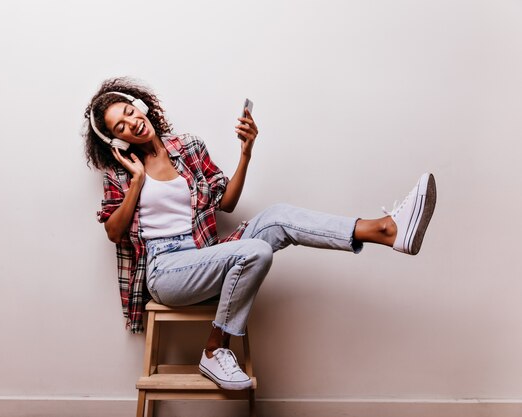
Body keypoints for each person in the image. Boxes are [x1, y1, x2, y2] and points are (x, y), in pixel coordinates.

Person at [82, 77, 437, 391]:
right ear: (116, 139)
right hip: (166, 271)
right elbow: (115, 232)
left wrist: (246, 152)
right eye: (119, 127)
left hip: (204, 253)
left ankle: (386, 230)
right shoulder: (122, 171)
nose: (131, 123)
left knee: (277, 217)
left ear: (140, 106)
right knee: (254, 251)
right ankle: (214, 349)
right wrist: (138, 182)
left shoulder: (187, 147)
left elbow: (228, 204)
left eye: (129, 112)